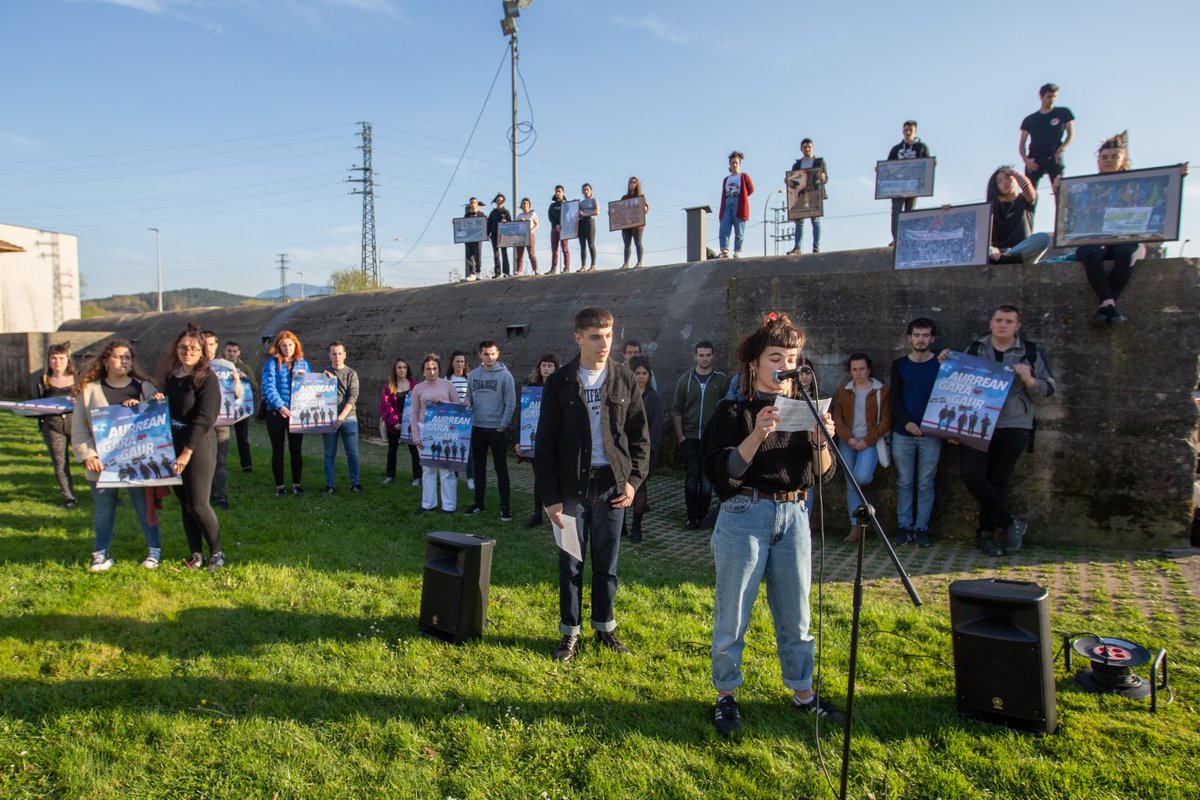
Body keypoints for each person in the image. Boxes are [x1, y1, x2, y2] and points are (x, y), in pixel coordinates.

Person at [701, 311, 841, 737]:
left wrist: (820, 442)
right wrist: (758, 434)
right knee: (733, 614)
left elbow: (823, 473)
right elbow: (723, 471)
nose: (785, 366)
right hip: (746, 513)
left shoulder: (804, 410)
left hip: (795, 514)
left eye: (792, 357)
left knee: (797, 612)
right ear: (756, 363)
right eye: (776, 357)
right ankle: (726, 696)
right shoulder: (734, 409)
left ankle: (803, 692)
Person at [535, 306, 649, 662]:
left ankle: (605, 628)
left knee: (607, 564)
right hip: (571, 492)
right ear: (578, 338)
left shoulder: (624, 378)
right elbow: (545, 444)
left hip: (612, 490)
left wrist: (632, 482)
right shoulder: (560, 382)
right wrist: (551, 498)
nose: (604, 343)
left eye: (609, 335)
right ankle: (569, 633)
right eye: (596, 336)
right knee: (571, 563)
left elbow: (639, 438)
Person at [943, 305, 1055, 556]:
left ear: (1018, 326)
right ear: (991, 323)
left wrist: (1030, 380)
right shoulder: (976, 348)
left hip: (1014, 424)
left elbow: (1049, 390)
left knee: (998, 481)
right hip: (976, 422)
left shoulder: (1030, 352)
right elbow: (956, 385)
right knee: (972, 475)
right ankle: (1008, 523)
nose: (1003, 325)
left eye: (1009, 321)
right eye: (999, 320)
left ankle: (985, 535)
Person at [71, 339, 162, 571]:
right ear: (105, 361)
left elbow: (156, 422)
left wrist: (154, 403)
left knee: (144, 507)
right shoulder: (89, 391)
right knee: (104, 509)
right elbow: (79, 426)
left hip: (137, 462)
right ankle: (100, 553)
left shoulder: (143, 388)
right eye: (118, 357)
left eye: (127, 357)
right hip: (100, 464)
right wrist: (88, 456)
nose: (124, 361)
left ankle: (154, 550)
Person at [159, 325, 224, 571]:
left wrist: (187, 452)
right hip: (172, 445)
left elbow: (204, 418)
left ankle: (217, 552)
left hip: (198, 447)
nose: (188, 352)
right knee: (185, 504)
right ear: (176, 349)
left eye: (194, 348)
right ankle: (196, 554)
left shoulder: (208, 378)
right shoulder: (171, 377)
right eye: (184, 347)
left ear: (202, 352)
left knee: (199, 504)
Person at [1075, 132, 1151, 326]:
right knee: (1089, 252)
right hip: (1096, 240)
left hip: (1127, 239)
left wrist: (1177, 176)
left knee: (1126, 253)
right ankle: (1111, 306)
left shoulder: (1137, 184)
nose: (1108, 160)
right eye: (1104, 157)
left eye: (1114, 156)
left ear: (1123, 159)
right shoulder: (1086, 188)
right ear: (1098, 161)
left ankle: (1105, 306)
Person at [889, 319, 942, 548]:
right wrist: (906, 422)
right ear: (909, 337)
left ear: (932, 339)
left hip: (931, 433)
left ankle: (921, 528)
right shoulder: (900, 364)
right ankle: (904, 527)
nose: (921, 339)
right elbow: (894, 399)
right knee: (904, 481)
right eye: (917, 335)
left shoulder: (941, 364)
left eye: (926, 335)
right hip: (904, 432)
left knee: (926, 483)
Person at [832, 354, 891, 544]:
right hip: (848, 442)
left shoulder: (881, 390)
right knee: (851, 484)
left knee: (861, 477)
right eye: (855, 369)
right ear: (850, 371)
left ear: (869, 369)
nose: (859, 373)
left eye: (862, 369)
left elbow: (886, 420)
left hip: (870, 442)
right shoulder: (843, 391)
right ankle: (855, 528)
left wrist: (867, 440)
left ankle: (865, 517)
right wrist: (848, 439)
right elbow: (837, 418)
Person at [672, 340, 729, 529]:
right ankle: (691, 515)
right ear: (695, 356)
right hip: (689, 437)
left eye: (708, 355)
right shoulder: (686, 380)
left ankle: (703, 515)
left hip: (710, 439)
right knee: (691, 478)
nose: (705, 359)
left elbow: (726, 409)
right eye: (701, 355)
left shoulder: (721, 380)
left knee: (706, 481)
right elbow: (677, 409)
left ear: (713, 356)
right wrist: (680, 436)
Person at [465, 339, 516, 522]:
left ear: (498, 353)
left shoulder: (505, 376)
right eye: (486, 354)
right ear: (480, 355)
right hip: (478, 427)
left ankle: (505, 508)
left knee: (501, 469)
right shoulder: (473, 375)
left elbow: (510, 403)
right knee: (479, 469)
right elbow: (469, 395)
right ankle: (478, 503)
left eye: (493, 353)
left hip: (497, 429)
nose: (490, 357)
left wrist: (503, 425)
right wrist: (468, 401)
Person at [261, 330, 312, 497]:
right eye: (284, 345)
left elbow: (312, 383)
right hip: (276, 414)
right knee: (278, 450)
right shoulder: (271, 364)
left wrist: (325, 378)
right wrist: (280, 406)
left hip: (296, 414)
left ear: (295, 345)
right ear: (278, 346)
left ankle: (297, 484)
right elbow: (269, 387)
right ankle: (280, 486)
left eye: (290, 345)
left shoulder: (304, 364)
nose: (287, 348)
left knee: (296, 450)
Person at [410, 353, 459, 514]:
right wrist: (416, 436)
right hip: (425, 430)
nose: (431, 371)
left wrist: (444, 403)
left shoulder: (448, 385)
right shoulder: (418, 388)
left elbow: (458, 408)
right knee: (428, 470)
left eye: (434, 368)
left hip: (445, 431)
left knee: (447, 470)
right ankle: (428, 505)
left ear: (439, 369)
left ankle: (449, 506)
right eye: (428, 369)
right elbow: (414, 413)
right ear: (423, 371)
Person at [519, 353, 559, 528]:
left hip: (556, 441)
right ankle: (537, 513)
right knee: (539, 478)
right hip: (536, 441)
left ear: (556, 369)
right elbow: (523, 416)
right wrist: (519, 441)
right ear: (539, 368)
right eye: (544, 365)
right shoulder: (531, 389)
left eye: (550, 366)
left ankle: (557, 512)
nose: (547, 369)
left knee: (556, 477)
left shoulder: (562, 387)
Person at [37, 343, 78, 508]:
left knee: (91, 458)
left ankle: (105, 493)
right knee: (60, 463)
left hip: (77, 425)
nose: (57, 362)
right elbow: (36, 405)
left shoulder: (78, 378)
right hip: (53, 427)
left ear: (68, 360)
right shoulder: (44, 381)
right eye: (53, 358)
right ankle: (69, 497)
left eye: (61, 358)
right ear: (48, 360)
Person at [627, 355, 663, 544]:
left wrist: (651, 452)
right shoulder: (623, 394)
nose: (641, 377)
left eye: (644, 373)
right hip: (623, 449)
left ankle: (636, 527)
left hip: (644, 451)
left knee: (639, 487)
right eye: (637, 373)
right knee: (620, 487)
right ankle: (621, 525)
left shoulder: (654, 399)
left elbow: (657, 427)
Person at [1019, 83, 1074, 199]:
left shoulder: (1063, 113)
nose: (1052, 99)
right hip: (1035, 157)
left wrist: (1062, 148)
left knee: (1059, 190)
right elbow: (1022, 143)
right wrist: (1026, 160)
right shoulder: (1030, 119)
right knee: (1029, 193)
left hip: (1054, 155)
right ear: (1042, 97)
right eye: (1049, 96)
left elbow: (1071, 134)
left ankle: (1060, 216)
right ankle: (1027, 215)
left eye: (1054, 96)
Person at [987, 166, 1050, 264]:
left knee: (1043, 238)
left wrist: (1014, 172)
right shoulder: (993, 207)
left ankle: (1007, 258)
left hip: (1022, 253)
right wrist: (994, 253)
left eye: (1008, 177)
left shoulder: (1025, 199)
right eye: (999, 181)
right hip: (997, 254)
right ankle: (1005, 259)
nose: (1005, 182)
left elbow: (1026, 187)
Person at [321, 341, 361, 494]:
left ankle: (355, 483)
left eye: (339, 353)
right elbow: (317, 393)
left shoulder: (351, 373)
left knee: (353, 453)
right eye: (334, 353)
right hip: (329, 418)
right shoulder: (323, 373)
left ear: (344, 354)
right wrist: (327, 380)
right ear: (329, 355)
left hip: (348, 418)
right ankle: (330, 485)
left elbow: (353, 396)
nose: (337, 356)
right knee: (329, 453)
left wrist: (342, 416)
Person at [200, 330, 234, 510]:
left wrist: (236, 382)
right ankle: (203, 496)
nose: (208, 347)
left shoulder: (226, 366)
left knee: (221, 460)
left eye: (211, 344)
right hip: (202, 421)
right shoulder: (194, 366)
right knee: (204, 460)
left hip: (222, 420)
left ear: (216, 345)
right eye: (205, 343)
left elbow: (238, 396)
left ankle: (220, 496)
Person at [885, 120, 931, 245]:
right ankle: (896, 238)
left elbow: (927, 165)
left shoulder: (921, 147)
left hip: (913, 186)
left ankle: (907, 237)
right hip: (897, 186)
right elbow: (887, 167)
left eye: (910, 130)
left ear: (915, 131)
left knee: (909, 211)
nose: (907, 132)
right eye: (905, 130)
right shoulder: (896, 149)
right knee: (896, 211)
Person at [380, 358, 421, 486]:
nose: (402, 370)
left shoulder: (414, 385)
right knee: (392, 450)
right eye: (399, 367)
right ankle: (390, 475)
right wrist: (394, 423)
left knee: (414, 451)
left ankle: (417, 477)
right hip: (395, 425)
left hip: (411, 424)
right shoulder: (389, 386)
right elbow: (386, 406)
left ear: (407, 369)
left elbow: (420, 404)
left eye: (404, 367)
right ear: (395, 370)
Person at [786, 139, 827, 255]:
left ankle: (816, 246)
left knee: (815, 219)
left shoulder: (819, 162)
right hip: (801, 194)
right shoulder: (797, 164)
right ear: (801, 149)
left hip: (815, 194)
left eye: (809, 147)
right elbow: (793, 180)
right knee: (798, 221)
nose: (807, 149)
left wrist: (823, 177)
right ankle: (797, 247)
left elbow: (826, 178)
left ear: (812, 147)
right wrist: (788, 180)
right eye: (805, 147)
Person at [223, 341, 254, 472]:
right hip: (223, 407)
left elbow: (255, 387)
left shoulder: (245, 368)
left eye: (235, 351)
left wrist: (246, 378)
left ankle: (247, 466)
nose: (232, 354)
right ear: (225, 351)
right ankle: (220, 465)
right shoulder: (219, 366)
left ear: (239, 353)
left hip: (240, 407)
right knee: (222, 439)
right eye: (229, 351)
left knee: (243, 439)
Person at [717, 151, 754, 258]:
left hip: (739, 202)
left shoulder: (744, 176)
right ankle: (724, 250)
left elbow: (750, 189)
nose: (734, 165)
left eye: (736, 163)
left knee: (739, 228)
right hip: (728, 202)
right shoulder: (726, 179)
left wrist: (742, 197)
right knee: (724, 226)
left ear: (739, 164)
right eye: (732, 163)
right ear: (730, 164)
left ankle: (738, 250)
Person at [447, 351, 474, 491]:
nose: (459, 364)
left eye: (462, 361)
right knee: (453, 448)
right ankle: (455, 476)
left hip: (466, 420)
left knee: (468, 451)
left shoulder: (469, 379)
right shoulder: (447, 379)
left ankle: (470, 478)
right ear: (452, 363)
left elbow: (473, 397)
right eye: (457, 361)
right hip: (452, 419)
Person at [620, 177, 649, 269]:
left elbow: (646, 208)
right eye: (630, 182)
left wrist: (645, 208)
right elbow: (619, 209)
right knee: (627, 244)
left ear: (637, 184)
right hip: (626, 224)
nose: (631, 184)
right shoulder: (624, 198)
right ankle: (625, 263)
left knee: (638, 242)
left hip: (637, 224)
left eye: (634, 182)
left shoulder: (641, 197)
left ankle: (639, 262)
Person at [488, 193, 513, 278]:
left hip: (503, 235)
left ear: (504, 201)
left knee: (504, 253)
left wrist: (506, 222)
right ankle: (497, 273)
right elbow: (489, 223)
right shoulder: (492, 212)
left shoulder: (506, 212)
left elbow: (511, 223)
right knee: (496, 254)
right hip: (494, 235)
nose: (500, 202)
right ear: (496, 201)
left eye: (501, 200)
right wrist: (488, 234)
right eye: (498, 200)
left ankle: (506, 272)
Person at [547, 185, 571, 274]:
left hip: (564, 229)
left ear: (563, 192)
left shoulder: (567, 204)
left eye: (559, 191)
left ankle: (567, 267)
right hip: (554, 229)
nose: (557, 193)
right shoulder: (552, 205)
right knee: (554, 250)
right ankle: (553, 269)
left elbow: (569, 216)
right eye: (556, 191)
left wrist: (562, 224)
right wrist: (556, 224)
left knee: (565, 249)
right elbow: (550, 216)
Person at [462, 196, 487, 282]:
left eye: (474, 203)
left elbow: (485, 225)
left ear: (477, 204)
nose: (472, 204)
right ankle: (472, 273)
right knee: (469, 257)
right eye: (471, 203)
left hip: (478, 239)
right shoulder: (467, 215)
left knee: (478, 256)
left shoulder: (481, 214)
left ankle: (478, 272)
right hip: (469, 239)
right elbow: (463, 226)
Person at [514, 197, 540, 276]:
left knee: (531, 253)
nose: (525, 204)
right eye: (524, 203)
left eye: (527, 203)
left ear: (529, 205)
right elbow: (515, 226)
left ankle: (536, 269)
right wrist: (520, 221)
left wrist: (533, 230)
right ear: (521, 205)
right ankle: (519, 271)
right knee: (519, 254)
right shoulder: (519, 215)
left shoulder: (532, 214)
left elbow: (537, 224)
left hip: (530, 235)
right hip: (521, 236)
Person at [578, 183, 598, 271]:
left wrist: (585, 214)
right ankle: (583, 266)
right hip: (581, 223)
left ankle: (593, 265)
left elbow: (597, 212)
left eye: (587, 189)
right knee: (582, 246)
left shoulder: (594, 200)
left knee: (591, 244)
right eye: (584, 190)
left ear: (591, 191)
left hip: (590, 221)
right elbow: (578, 214)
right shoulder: (581, 203)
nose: (585, 191)